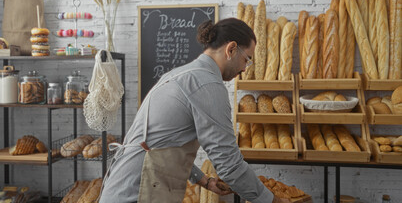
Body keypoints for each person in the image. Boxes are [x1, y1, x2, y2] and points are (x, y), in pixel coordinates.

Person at [99, 18, 291, 203]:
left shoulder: (179, 74)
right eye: (246, 59)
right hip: (136, 193)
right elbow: (229, 165)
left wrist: (203, 180)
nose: (244, 68)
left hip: (122, 186)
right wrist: (272, 201)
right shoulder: (208, 85)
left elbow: (163, 143)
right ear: (231, 49)